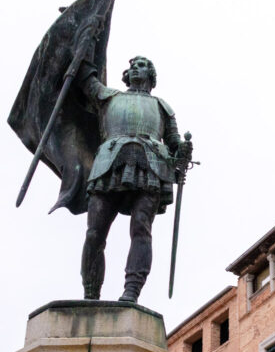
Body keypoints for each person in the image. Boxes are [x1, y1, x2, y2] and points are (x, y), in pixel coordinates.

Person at [75, 56, 191, 302]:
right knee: (94, 233)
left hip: (151, 164)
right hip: (109, 162)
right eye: (133, 65)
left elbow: (173, 144)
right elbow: (83, 76)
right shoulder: (109, 96)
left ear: (151, 74)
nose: (135, 68)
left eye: (142, 65)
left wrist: (183, 152)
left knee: (141, 227)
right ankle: (91, 293)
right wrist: (87, 31)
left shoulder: (162, 107)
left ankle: (132, 290)